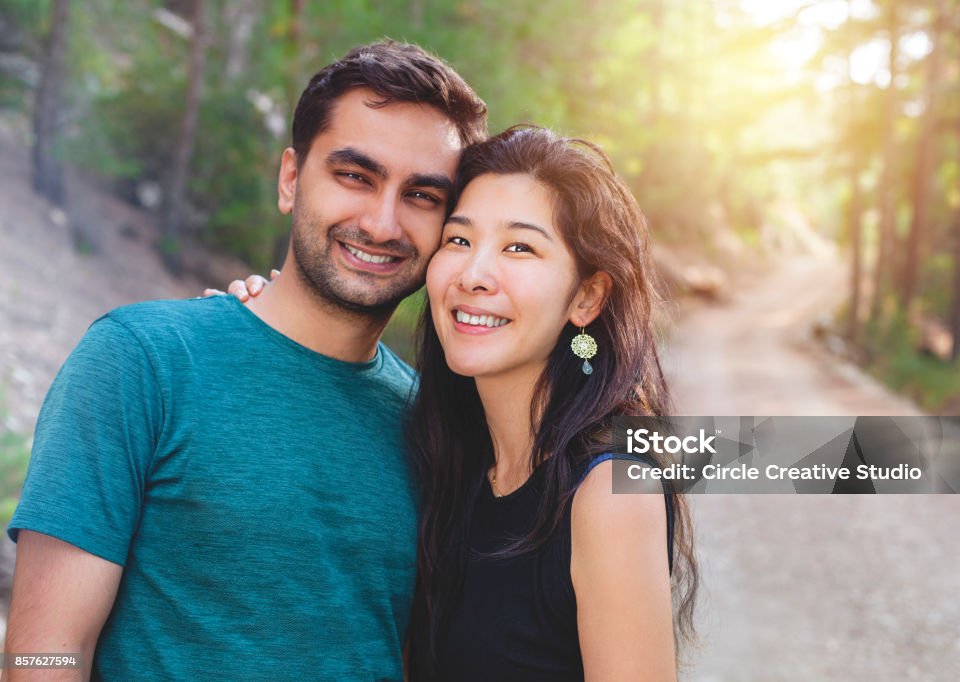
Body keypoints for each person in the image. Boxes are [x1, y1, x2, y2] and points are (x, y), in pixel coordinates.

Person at [3, 41, 487, 681]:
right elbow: (42, 653)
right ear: (291, 179)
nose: (381, 222)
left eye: (422, 195)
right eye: (354, 176)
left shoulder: (433, 426)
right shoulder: (141, 362)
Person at [230, 126, 699, 680]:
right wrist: (259, 326)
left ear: (586, 297)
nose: (474, 275)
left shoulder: (609, 491)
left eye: (519, 247)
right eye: (458, 240)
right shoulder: (446, 451)